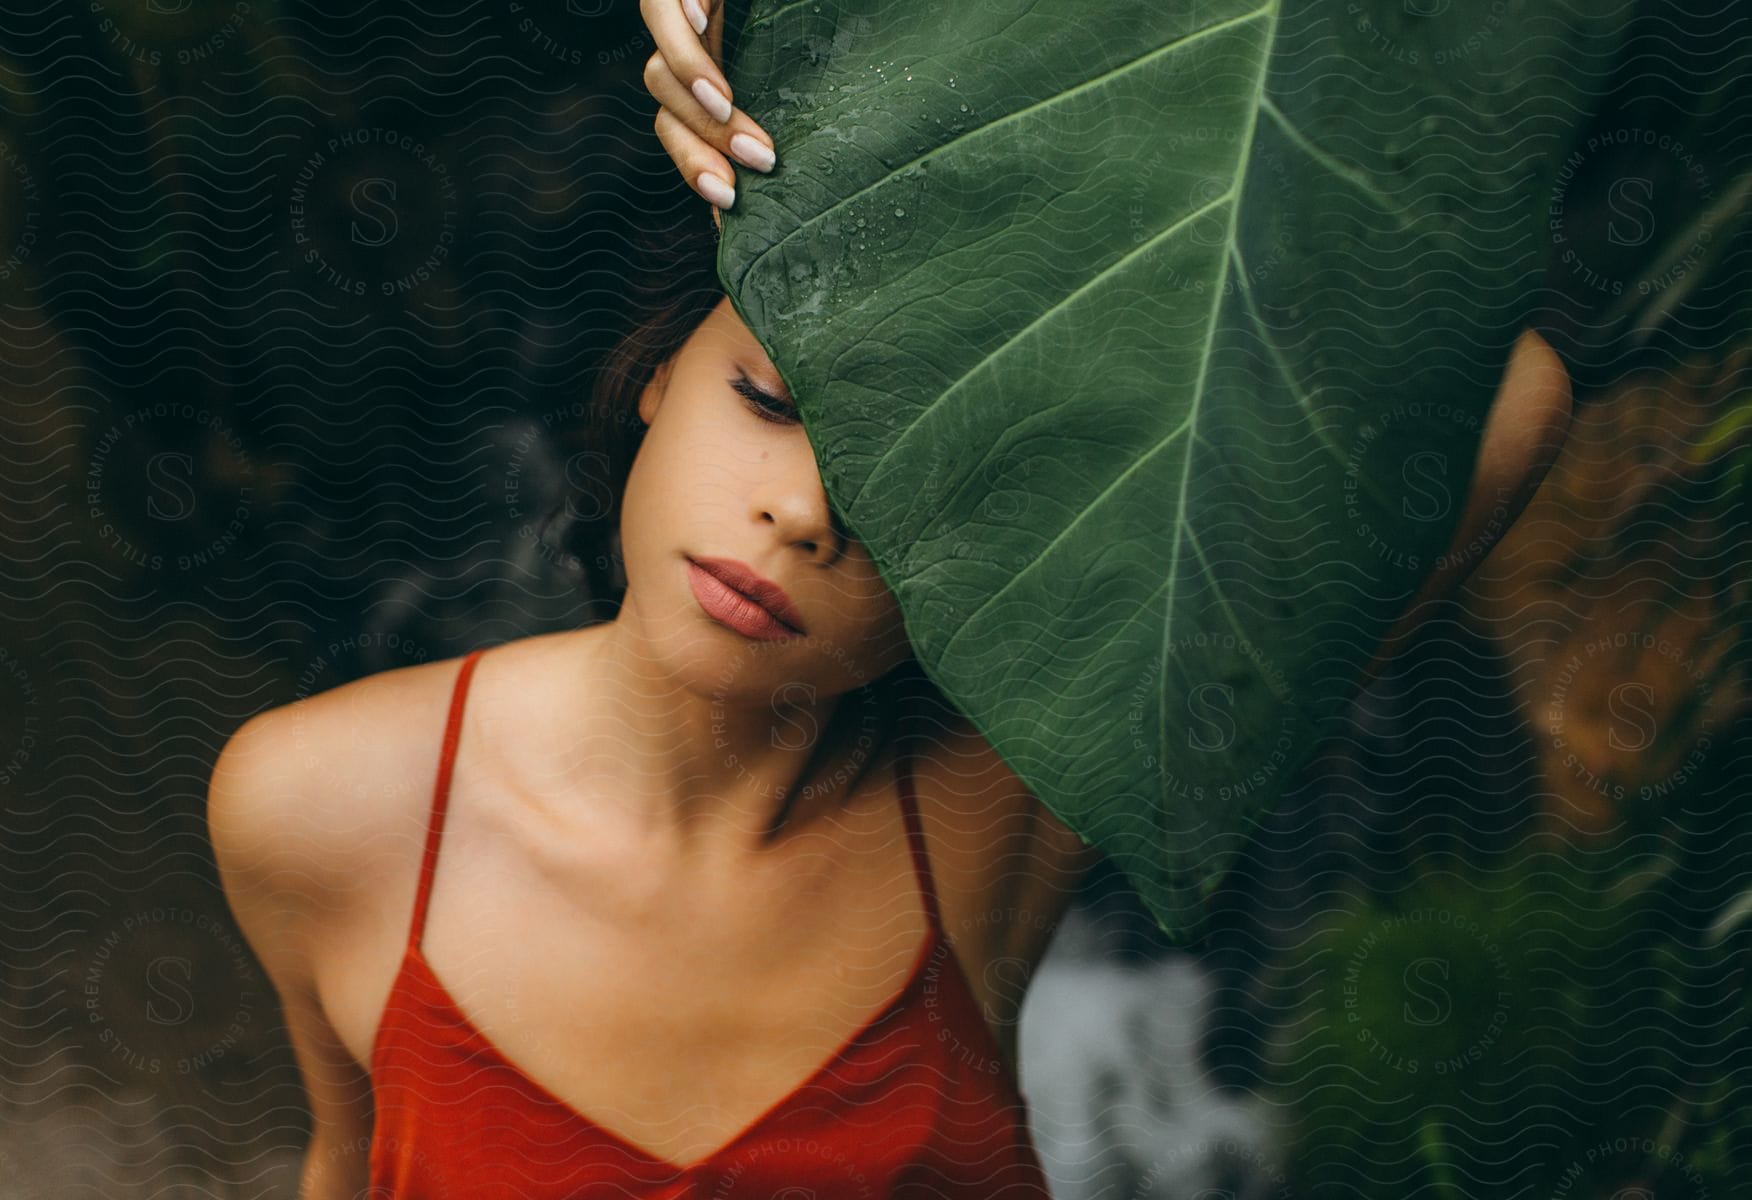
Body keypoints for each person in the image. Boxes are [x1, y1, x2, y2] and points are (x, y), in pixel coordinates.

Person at [205, 4, 1574, 1195]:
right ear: (654, 378)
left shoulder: (1009, 802)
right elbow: (351, 1160)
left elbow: (1507, 401)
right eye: (768, 402)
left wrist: (1149, 164)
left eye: (936, 492)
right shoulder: (318, 803)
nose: (807, 513)